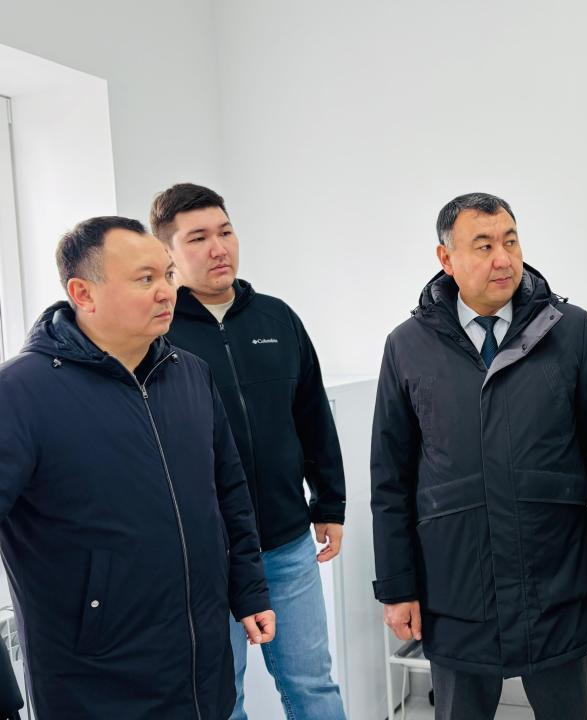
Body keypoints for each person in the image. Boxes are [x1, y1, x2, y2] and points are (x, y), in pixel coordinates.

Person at [371, 193, 587, 720]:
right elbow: (390, 479)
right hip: (456, 591)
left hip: (555, 583)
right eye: (484, 245)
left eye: (511, 242)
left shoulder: (569, 329)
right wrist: (397, 588)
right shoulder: (408, 345)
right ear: (446, 259)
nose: (503, 259)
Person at [0, 217, 274, 718]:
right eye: (145, 279)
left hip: (201, 666)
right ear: (83, 293)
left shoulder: (189, 373)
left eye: (167, 275)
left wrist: (250, 590)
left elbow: (228, 493)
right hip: (97, 679)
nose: (167, 291)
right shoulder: (19, 393)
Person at [150, 184, 347, 720]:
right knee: (221, 699)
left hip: (287, 543)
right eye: (198, 238)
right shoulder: (158, 333)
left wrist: (329, 502)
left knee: (313, 685)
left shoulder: (277, 319)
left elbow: (312, 415)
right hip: (205, 555)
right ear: (167, 252)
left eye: (225, 231)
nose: (219, 248)